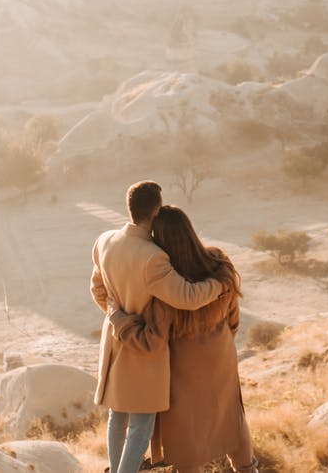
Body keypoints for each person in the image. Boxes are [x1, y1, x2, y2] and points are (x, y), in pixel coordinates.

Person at [108, 205, 258, 473]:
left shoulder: (167, 290)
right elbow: (233, 319)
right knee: (231, 423)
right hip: (221, 362)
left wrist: (116, 318)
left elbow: (150, 342)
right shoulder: (219, 263)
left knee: (187, 445)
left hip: (182, 377)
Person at [91, 182, 225, 473]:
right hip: (142, 349)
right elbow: (187, 297)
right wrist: (218, 284)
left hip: (114, 343)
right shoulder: (152, 257)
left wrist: (118, 318)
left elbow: (98, 290)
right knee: (140, 426)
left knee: (117, 418)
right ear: (155, 211)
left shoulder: (104, 241)